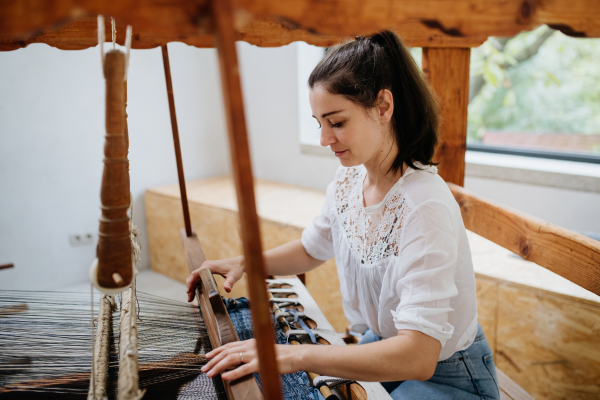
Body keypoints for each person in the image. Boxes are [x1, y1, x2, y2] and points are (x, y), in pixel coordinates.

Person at [186, 31, 500, 400]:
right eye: (319, 123)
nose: (324, 139)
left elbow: (419, 356)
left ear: (383, 107)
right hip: (388, 342)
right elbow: (312, 247)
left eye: (336, 123)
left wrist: (292, 354)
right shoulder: (351, 179)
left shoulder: (423, 206)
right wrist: (246, 263)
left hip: (448, 374)